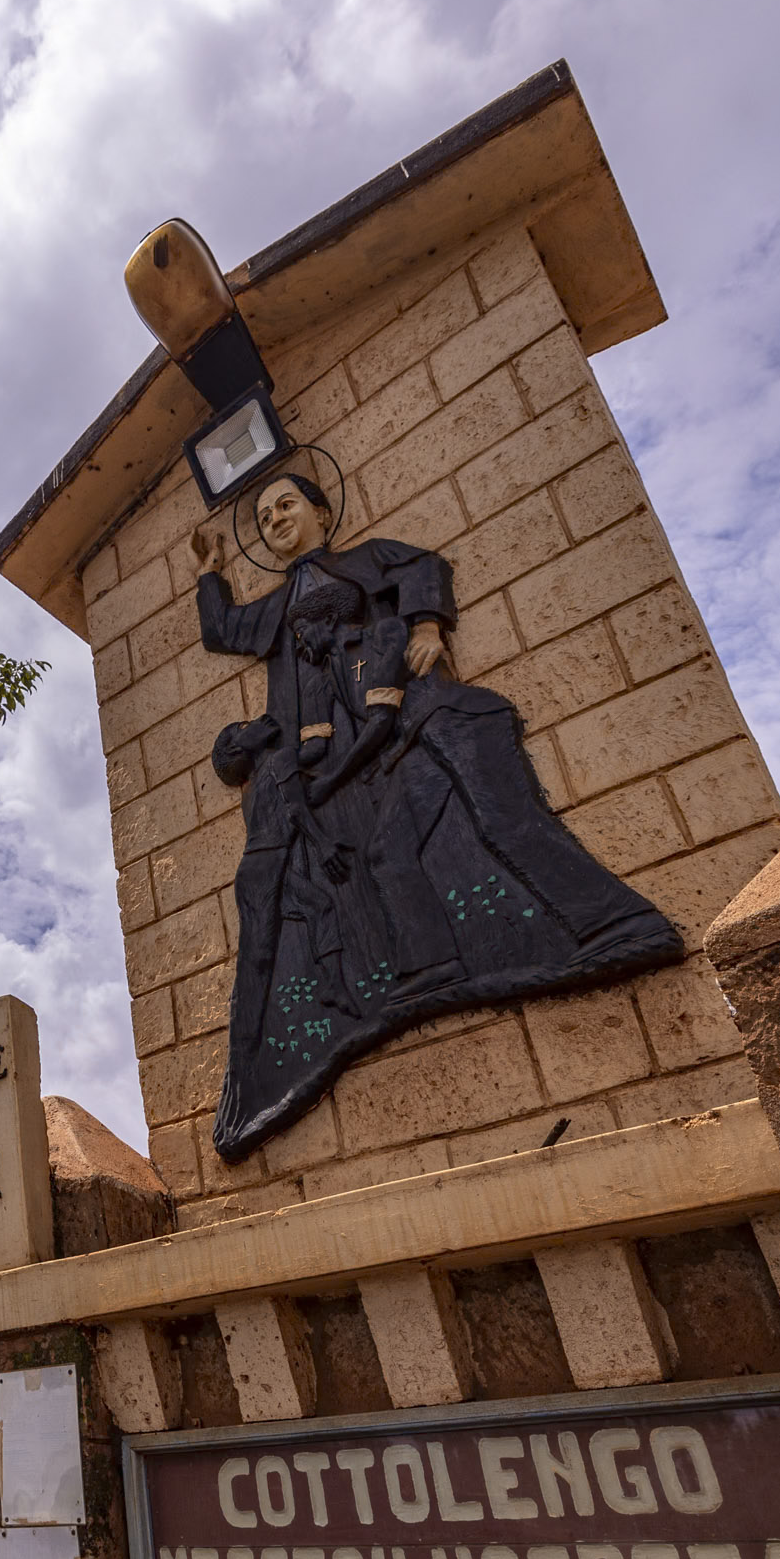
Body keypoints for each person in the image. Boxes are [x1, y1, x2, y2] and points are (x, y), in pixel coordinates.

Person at [194, 472, 682, 1161]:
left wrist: (428, 623)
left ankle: (611, 924)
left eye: (286, 504)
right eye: (265, 513)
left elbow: (422, 568)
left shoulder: (366, 578)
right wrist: (211, 574)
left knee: (499, 824)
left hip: (426, 725)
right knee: (387, 857)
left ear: (321, 512)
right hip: (365, 758)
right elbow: (224, 631)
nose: (274, 517)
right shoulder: (282, 616)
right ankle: (428, 970)